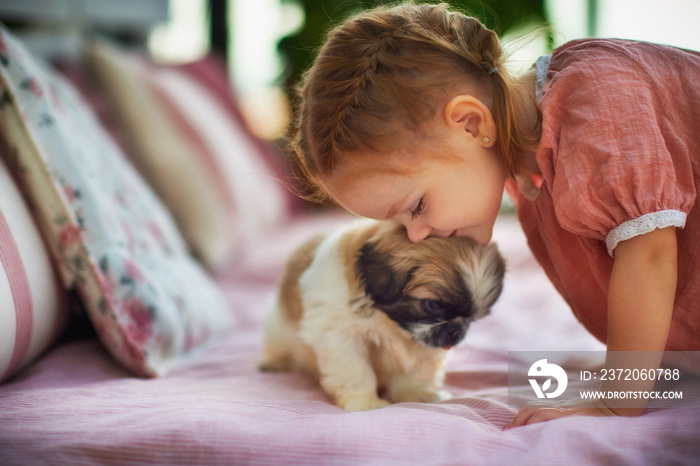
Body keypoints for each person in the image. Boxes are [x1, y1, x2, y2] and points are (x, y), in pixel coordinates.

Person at [288, 1, 700, 426]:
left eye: (416, 207)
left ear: (469, 124)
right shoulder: (534, 161)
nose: (414, 236)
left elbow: (650, 256)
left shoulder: (597, 100)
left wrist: (617, 399)